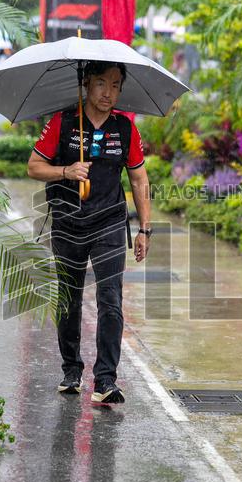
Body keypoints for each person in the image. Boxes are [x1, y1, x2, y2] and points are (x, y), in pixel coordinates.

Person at [26, 61, 152, 404]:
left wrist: (145, 229)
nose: (108, 92)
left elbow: (139, 179)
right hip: (67, 223)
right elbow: (34, 166)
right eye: (100, 83)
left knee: (111, 298)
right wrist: (66, 170)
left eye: (115, 85)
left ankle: (106, 380)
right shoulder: (63, 122)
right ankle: (71, 370)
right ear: (86, 84)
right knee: (69, 298)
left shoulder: (125, 129)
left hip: (110, 222)